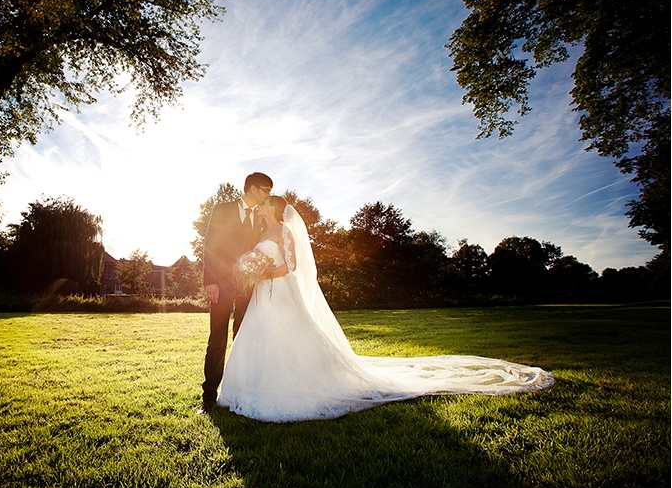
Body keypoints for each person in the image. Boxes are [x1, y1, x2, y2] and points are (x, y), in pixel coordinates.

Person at [217, 195, 555, 422]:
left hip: (281, 291)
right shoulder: (263, 232)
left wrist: (263, 272)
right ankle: (248, 391)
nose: (259, 208)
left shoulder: (285, 232)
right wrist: (253, 272)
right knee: (261, 339)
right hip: (264, 295)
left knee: (292, 339)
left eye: (264, 206)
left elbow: (290, 266)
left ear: (275, 210)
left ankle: (296, 388)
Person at [199, 172, 273, 414]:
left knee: (243, 339)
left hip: (248, 288)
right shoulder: (222, 210)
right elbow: (209, 244)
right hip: (220, 285)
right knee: (217, 340)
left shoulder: (262, 218)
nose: (268, 195)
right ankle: (208, 397)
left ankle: (239, 394)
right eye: (266, 189)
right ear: (252, 188)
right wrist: (210, 281)